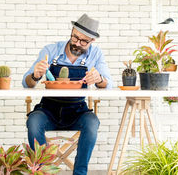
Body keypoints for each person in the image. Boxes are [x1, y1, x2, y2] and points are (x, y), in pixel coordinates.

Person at [22, 13, 113, 175]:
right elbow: (26, 83)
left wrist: (99, 79)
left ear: (92, 41)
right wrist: (35, 75)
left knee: (92, 122)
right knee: (33, 121)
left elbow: (108, 85)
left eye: (83, 41)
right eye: (74, 37)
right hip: (48, 109)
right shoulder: (50, 50)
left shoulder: (96, 54)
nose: (77, 43)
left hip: (77, 111)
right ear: (71, 32)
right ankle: (43, 172)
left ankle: (80, 173)